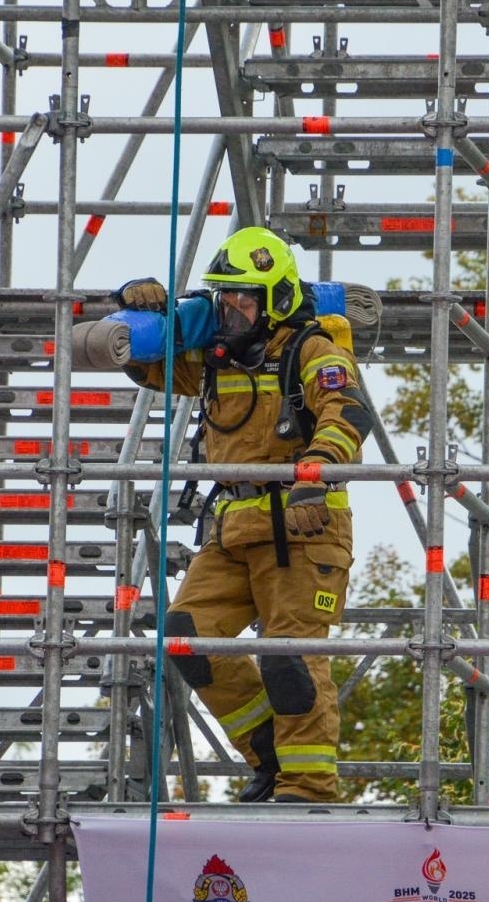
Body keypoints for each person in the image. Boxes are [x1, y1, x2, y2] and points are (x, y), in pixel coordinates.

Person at [113, 226, 373, 804]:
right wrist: (135, 303)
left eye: (243, 298)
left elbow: (348, 411)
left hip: (304, 531)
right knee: (185, 637)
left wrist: (318, 466)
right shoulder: (216, 358)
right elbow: (145, 363)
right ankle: (271, 756)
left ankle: (307, 789)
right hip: (234, 528)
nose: (230, 309)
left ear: (276, 299)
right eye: (222, 297)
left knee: (290, 661)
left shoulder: (312, 350)